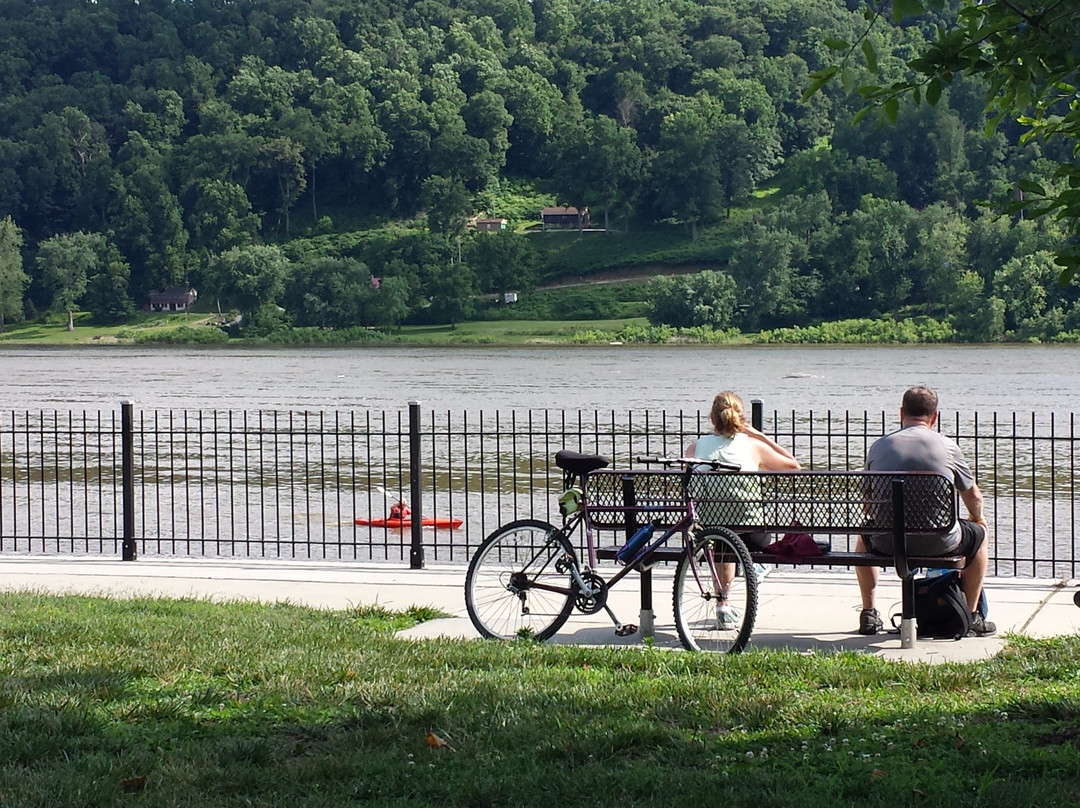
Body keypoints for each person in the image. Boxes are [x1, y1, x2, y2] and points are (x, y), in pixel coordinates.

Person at [855, 386, 996, 637]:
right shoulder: (947, 447)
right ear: (935, 416)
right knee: (980, 537)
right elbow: (973, 496)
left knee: (863, 540)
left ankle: (869, 613)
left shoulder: (879, 447)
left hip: (886, 541)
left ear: (901, 413)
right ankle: (972, 616)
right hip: (939, 541)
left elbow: (867, 504)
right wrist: (978, 519)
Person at [684, 391, 801, 627]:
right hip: (751, 530)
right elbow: (794, 466)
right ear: (741, 417)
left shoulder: (695, 448)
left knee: (722, 539)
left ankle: (723, 605)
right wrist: (762, 437)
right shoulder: (753, 446)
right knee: (740, 528)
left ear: (712, 418)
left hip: (709, 528)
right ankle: (754, 567)